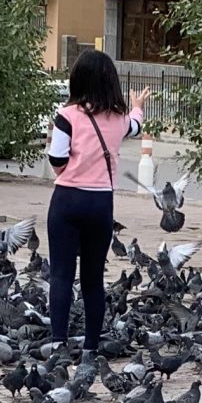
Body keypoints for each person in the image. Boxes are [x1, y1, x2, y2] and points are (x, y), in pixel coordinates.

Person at [42, 49, 146, 352]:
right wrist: (138, 107)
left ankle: (59, 345)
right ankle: (90, 347)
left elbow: (56, 158)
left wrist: (70, 171)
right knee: (93, 279)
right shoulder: (118, 118)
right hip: (101, 203)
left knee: (61, 275)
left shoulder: (67, 116)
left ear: (77, 79)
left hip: (68, 199)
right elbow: (136, 126)